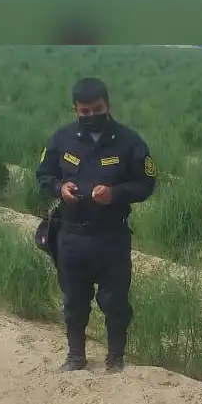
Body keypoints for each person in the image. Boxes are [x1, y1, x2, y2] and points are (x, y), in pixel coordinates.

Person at [35, 77, 157, 373]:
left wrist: (115, 194)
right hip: (72, 235)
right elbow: (43, 175)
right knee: (74, 299)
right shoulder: (61, 139)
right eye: (84, 112)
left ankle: (115, 358)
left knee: (114, 300)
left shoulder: (130, 142)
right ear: (75, 109)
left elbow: (146, 184)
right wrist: (60, 188)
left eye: (97, 109)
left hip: (111, 236)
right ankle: (75, 356)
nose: (91, 116)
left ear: (107, 104)